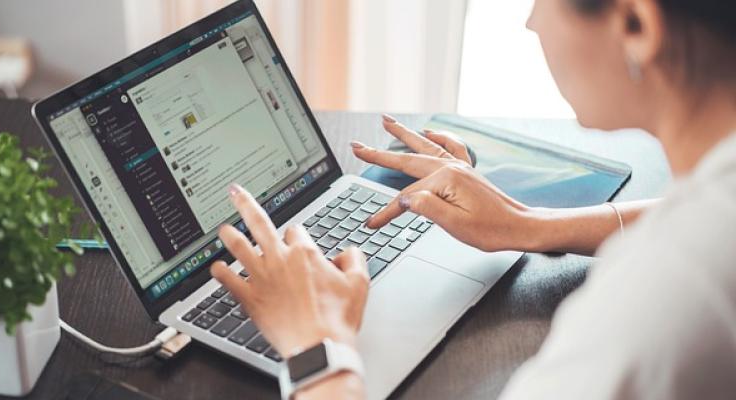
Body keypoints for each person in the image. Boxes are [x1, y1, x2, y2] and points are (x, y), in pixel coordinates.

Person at [211, 0, 736, 398]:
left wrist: (315, 347)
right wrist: (531, 224)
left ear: (637, 26)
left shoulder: (662, 297)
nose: (531, 23)